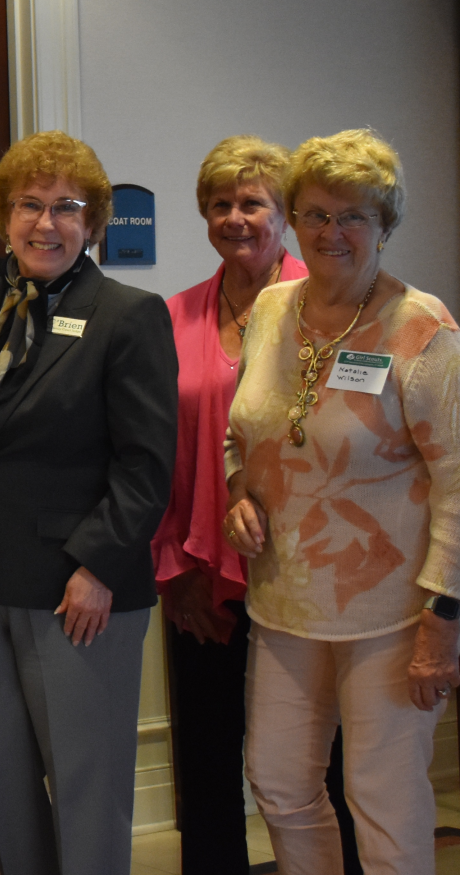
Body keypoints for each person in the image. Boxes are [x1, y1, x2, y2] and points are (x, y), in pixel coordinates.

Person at [224, 129, 460, 875]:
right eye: (315, 214)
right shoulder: (274, 311)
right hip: (284, 604)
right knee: (279, 785)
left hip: (395, 611)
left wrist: (444, 627)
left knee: (382, 798)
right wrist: (235, 498)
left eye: (353, 217)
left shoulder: (423, 331)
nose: (331, 233)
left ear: (384, 226)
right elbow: (242, 436)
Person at [0, 131, 177, 875]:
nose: (47, 224)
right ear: (2, 217)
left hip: (79, 593)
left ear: (93, 222)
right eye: (29, 206)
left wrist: (99, 566)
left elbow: (147, 462)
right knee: (2, 785)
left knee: (86, 786)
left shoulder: (130, 316)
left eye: (67, 208)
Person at [150, 136, 369, 875]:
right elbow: (160, 450)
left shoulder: (334, 303)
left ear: (285, 216)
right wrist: (173, 566)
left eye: (254, 203)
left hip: (311, 571)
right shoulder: (172, 317)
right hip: (200, 565)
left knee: (320, 757)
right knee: (208, 754)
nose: (236, 217)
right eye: (220, 204)